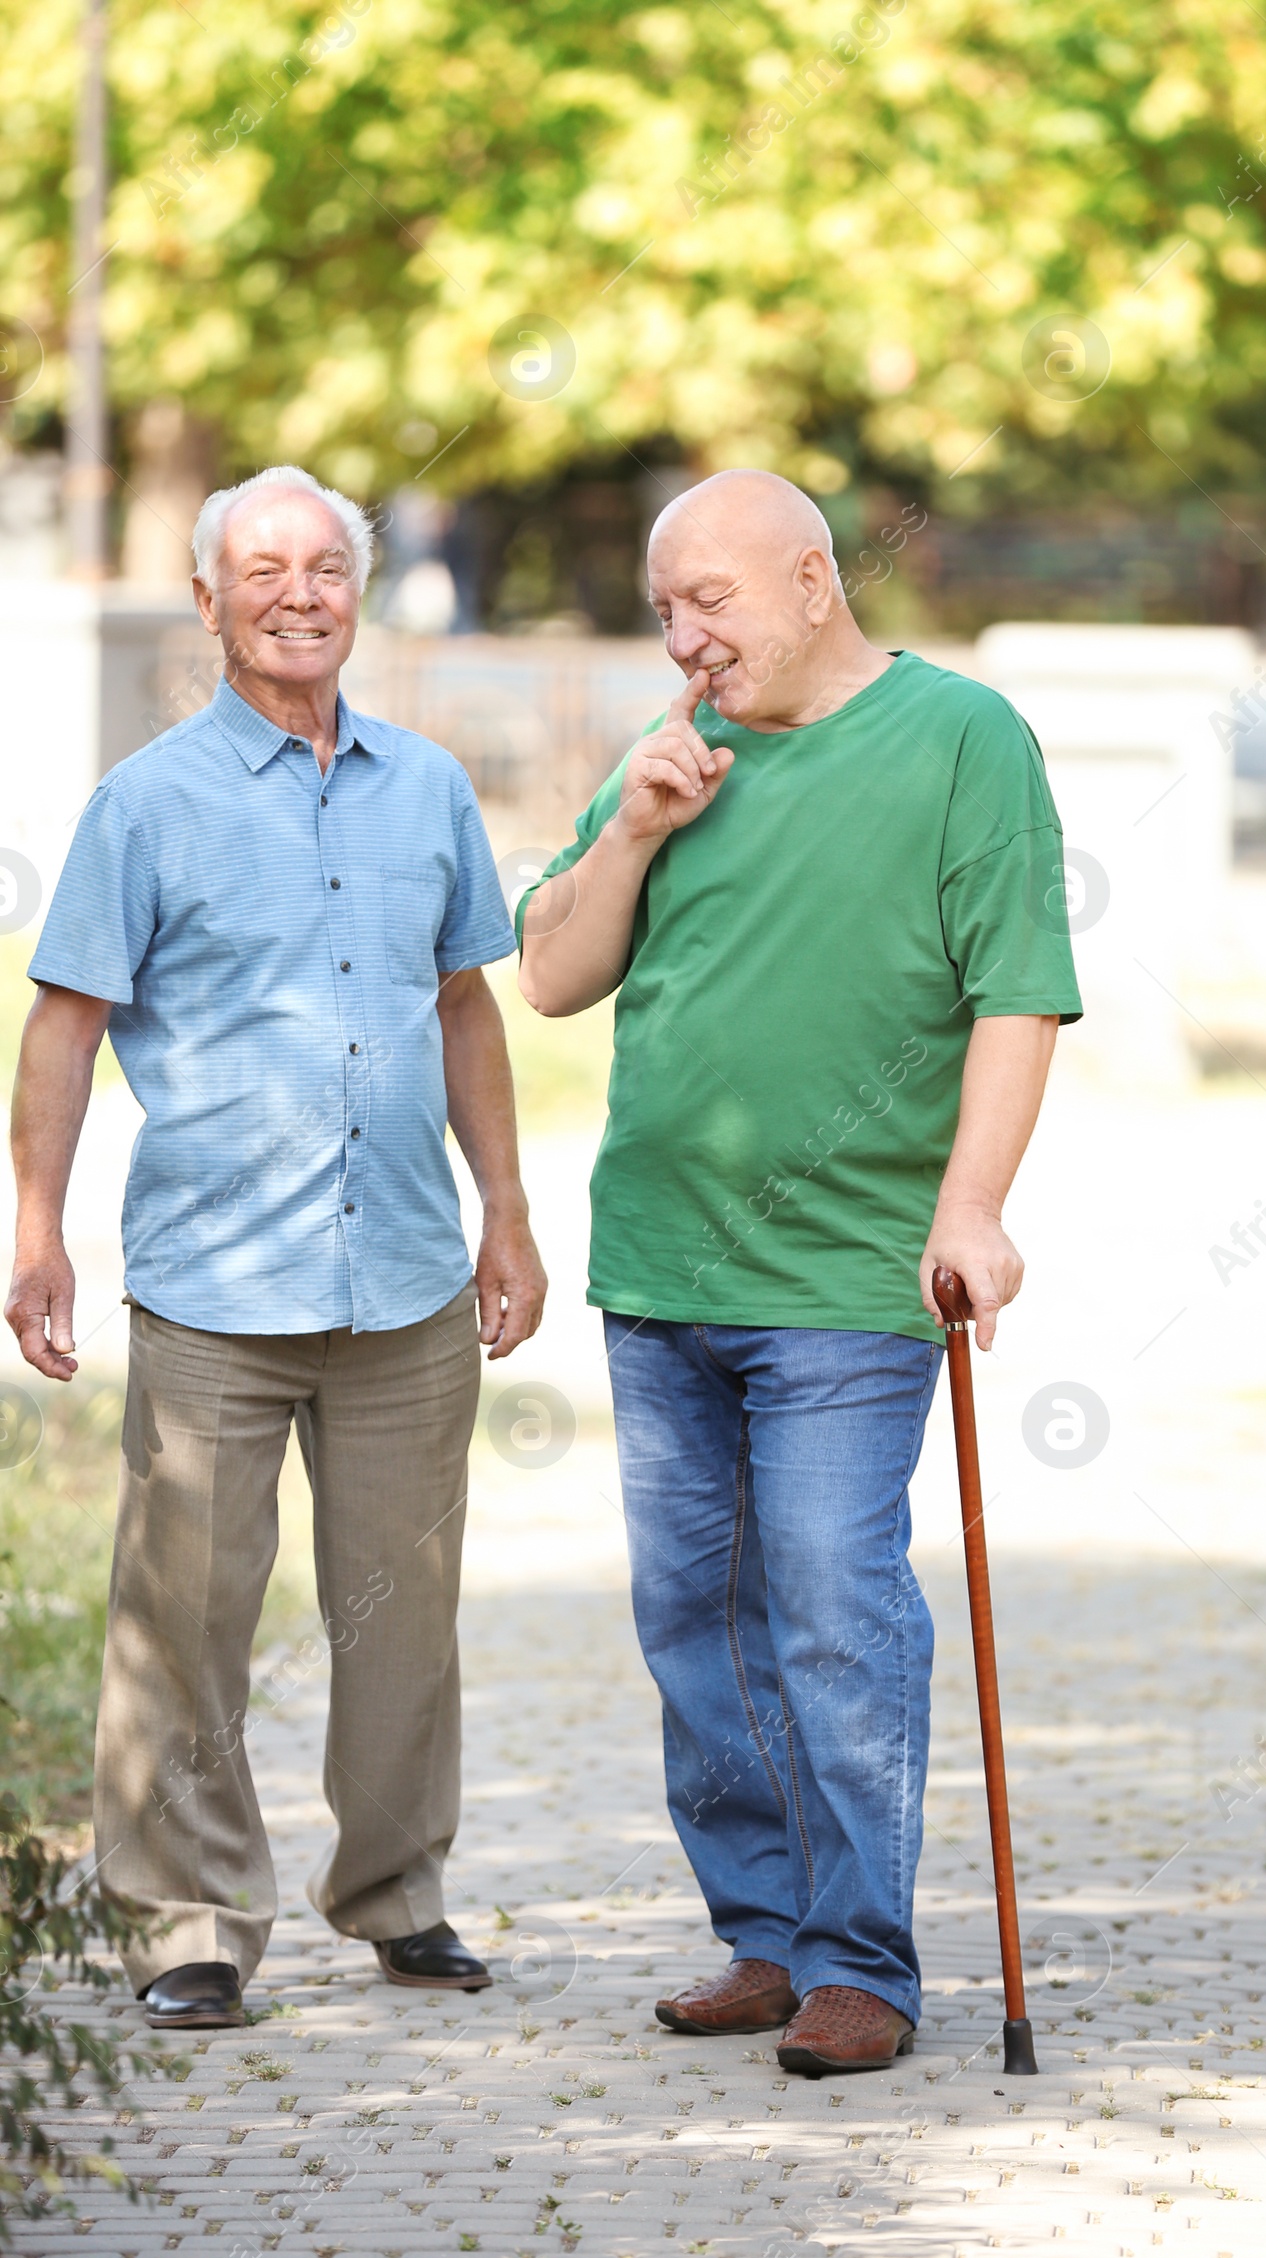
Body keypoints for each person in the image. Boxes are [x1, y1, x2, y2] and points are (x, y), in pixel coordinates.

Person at [517, 470, 1079, 2076]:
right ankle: (762, 1934)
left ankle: (860, 1962)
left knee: (833, 1608)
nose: (685, 639)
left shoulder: (963, 739)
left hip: (846, 1276)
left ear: (816, 579)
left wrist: (973, 1207)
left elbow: (1018, 992)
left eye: (712, 602)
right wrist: (633, 823)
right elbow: (551, 971)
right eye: (664, 611)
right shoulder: (672, 761)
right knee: (697, 1616)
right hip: (661, 1262)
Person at [6, 466, 546, 2030]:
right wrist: (34, 1227)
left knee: (405, 1610)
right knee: (183, 1623)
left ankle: (397, 1893)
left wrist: (504, 1204)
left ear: (356, 594)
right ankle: (188, 1921)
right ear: (209, 600)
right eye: (264, 568)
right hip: (213, 1286)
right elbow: (65, 1022)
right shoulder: (149, 801)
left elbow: (465, 1004)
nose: (298, 591)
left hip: (408, 1282)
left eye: (326, 566)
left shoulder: (430, 787)